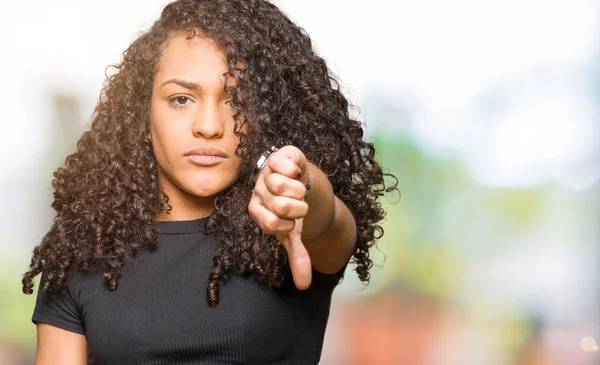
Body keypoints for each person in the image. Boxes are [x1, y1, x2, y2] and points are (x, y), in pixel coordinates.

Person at [22, 0, 398, 364]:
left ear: (267, 115)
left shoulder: (291, 232)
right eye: (181, 99)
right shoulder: (83, 253)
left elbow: (325, 217)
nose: (208, 126)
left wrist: (298, 183)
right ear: (141, 117)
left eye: (236, 101)